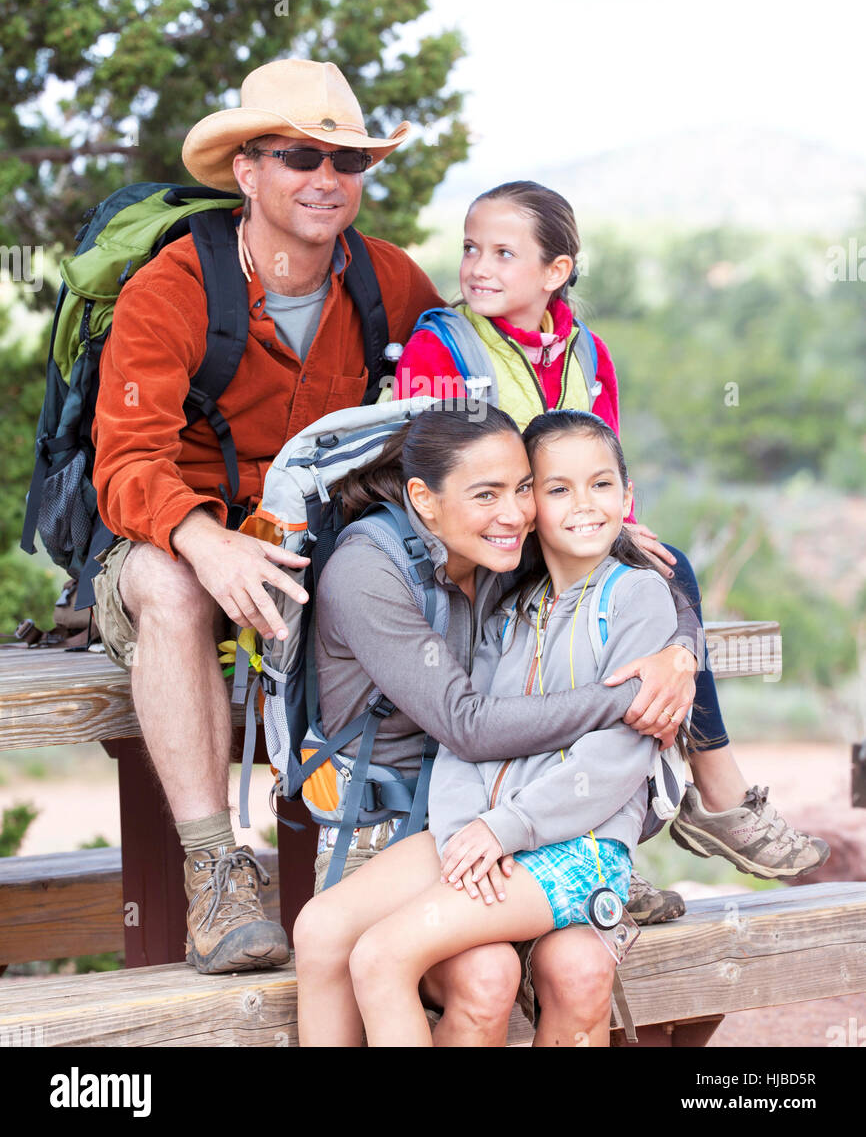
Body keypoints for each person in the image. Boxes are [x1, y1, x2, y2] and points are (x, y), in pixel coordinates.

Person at [90, 58, 444, 975]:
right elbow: (126, 465)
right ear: (247, 169)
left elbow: (462, 413)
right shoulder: (172, 288)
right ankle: (216, 872)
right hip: (174, 535)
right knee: (170, 584)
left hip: (314, 541)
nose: (328, 180)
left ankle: (525, 834)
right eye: (300, 156)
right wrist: (208, 542)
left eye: (348, 162)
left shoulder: (390, 283)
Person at [393, 179, 828, 907]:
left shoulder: (587, 355)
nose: (479, 268)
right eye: (471, 249)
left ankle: (624, 842)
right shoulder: (442, 347)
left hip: (562, 535)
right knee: (606, 647)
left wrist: (618, 524)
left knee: (656, 570)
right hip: (486, 550)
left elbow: (603, 465)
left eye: (504, 252)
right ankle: (698, 803)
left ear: (556, 271)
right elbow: (438, 474)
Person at [295, 401, 701, 1046]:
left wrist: (682, 653)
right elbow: (470, 729)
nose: (514, 513)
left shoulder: (517, 562)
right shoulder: (425, 582)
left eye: (521, 491)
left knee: (391, 957)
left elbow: (653, 585)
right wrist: (475, 833)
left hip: (557, 835)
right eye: (492, 494)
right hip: (433, 819)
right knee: (322, 930)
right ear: (424, 500)